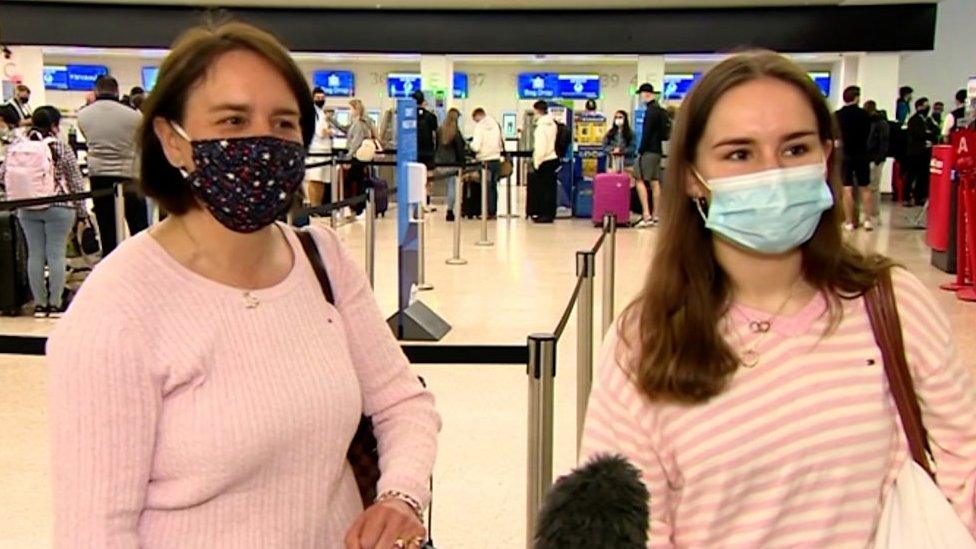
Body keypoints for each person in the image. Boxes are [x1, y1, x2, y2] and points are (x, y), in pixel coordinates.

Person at [47, 22, 439, 549]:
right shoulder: (120, 307)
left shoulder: (322, 260)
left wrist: (401, 495)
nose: (262, 142)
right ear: (172, 141)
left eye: (283, 123)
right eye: (232, 120)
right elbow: (95, 532)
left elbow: (402, 405)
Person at [581, 50, 976, 548]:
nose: (772, 173)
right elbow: (633, 529)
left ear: (826, 156)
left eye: (794, 150)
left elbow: (965, 463)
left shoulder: (891, 304)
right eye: (739, 154)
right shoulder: (644, 341)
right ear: (691, 177)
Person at [0, 106, 85, 318]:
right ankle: (55, 304)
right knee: (55, 253)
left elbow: (3, 176)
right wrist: (82, 212)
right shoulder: (61, 147)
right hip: (59, 206)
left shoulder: (17, 146)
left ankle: (39, 305)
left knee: (35, 255)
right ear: (55, 125)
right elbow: (75, 181)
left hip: (27, 206)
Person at [77, 75, 149, 256]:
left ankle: (111, 264)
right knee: (138, 226)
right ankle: (141, 261)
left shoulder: (84, 115)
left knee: (106, 225)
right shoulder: (134, 116)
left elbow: (87, 139)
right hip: (129, 174)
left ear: (96, 91)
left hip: (99, 175)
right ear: (117, 90)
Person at [834, 85, 873, 231]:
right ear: (857, 98)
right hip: (862, 153)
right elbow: (868, 134)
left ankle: (849, 222)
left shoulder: (837, 115)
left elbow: (834, 135)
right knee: (865, 187)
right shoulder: (864, 115)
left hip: (845, 154)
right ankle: (867, 220)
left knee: (847, 189)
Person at [634, 83, 667, 228]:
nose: (640, 97)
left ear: (646, 94)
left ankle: (646, 214)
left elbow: (646, 133)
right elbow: (665, 134)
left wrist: (640, 150)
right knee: (655, 182)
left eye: (641, 94)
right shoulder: (661, 111)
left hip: (648, 151)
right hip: (657, 151)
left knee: (639, 179)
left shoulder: (650, 111)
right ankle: (656, 215)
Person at [905, 97, 940, 207]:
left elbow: (936, 131)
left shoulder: (929, 120)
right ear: (919, 107)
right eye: (925, 105)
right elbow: (917, 134)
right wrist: (927, 134)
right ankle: (907, 197)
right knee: (911, 175)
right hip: (915, 152)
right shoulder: (913, 120)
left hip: (926, 153)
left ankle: (920, 196)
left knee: (923, 176)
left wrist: (930, 136)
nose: (927, 108)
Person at [470, 107, 504, 219]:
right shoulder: (496, 124)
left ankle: (486, 211)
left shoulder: (479, 127)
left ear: (477, 116)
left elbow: (476, 146)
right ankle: (493, 211)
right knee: (493, 187)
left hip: (484, 161)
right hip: (496, 160)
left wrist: (469, 145)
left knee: (485, 187)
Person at [435, 108, 467, 221]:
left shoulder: (439, 130)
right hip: (452, 164)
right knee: (452, 187)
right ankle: (450, 210)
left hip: (440, 163)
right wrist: (463, 164)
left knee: (447, 185)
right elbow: (460, 150)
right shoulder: (455, 132)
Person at [305, 86, 333, 207]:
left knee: (322, 180)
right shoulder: (311, 113)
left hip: (325, 151)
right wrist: (330, 132)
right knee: (314, 179)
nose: (320, 100)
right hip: (316, 151)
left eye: (322, 97)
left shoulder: (321, 113)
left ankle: (319, 206)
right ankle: (313, 205)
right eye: (318, 98)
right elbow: (320, 132)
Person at [531, 100, 558, 223]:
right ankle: (550, 213)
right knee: (551, 189)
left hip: (544, 161)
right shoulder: (553, 124)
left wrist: (537, 162)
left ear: (537, 111)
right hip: (553, 158)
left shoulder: (541, 127)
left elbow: (540, 147)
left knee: (542, 189)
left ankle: (543, 214)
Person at [864, 101, 890, 227]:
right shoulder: (882, 123)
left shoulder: (876, 124)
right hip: (874, 158)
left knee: (871, 187)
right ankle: (872, 214)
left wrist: (878, 159)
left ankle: (872, 214)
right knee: (873, 188)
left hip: (874, 158)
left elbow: (883, 143)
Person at [602, 110, 638, 174]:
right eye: (616, 117)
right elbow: (604, 146)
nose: (618, 119)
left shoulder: (631, 133)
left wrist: (621, 150)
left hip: (627, 164)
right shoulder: (610, 133)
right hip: (612, 164)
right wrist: (613, 149)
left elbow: (632, 148)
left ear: (625, 119)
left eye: (620, 117)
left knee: (626, 183)